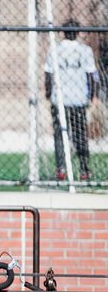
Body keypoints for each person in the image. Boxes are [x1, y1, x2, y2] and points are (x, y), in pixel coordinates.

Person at [45, 20, 97, 181]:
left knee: (60, 135)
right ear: (77, 32)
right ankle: (84, 169)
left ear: (63, 32)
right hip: (79, 99)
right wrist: (91, 95)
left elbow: (48, 74)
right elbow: (91, 75)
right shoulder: (85, 51)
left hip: (60, 99)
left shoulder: (54, 50)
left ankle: (61, 169)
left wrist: (48, 93)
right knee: (80, 135)